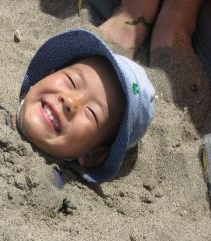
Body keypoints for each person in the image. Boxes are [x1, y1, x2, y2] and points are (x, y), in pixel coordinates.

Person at [16, 29, 155, 184]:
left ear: (91, 155)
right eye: (71, 82)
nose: (70, 102)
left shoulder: (51, 187)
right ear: (48, 75)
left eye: (91, 113)